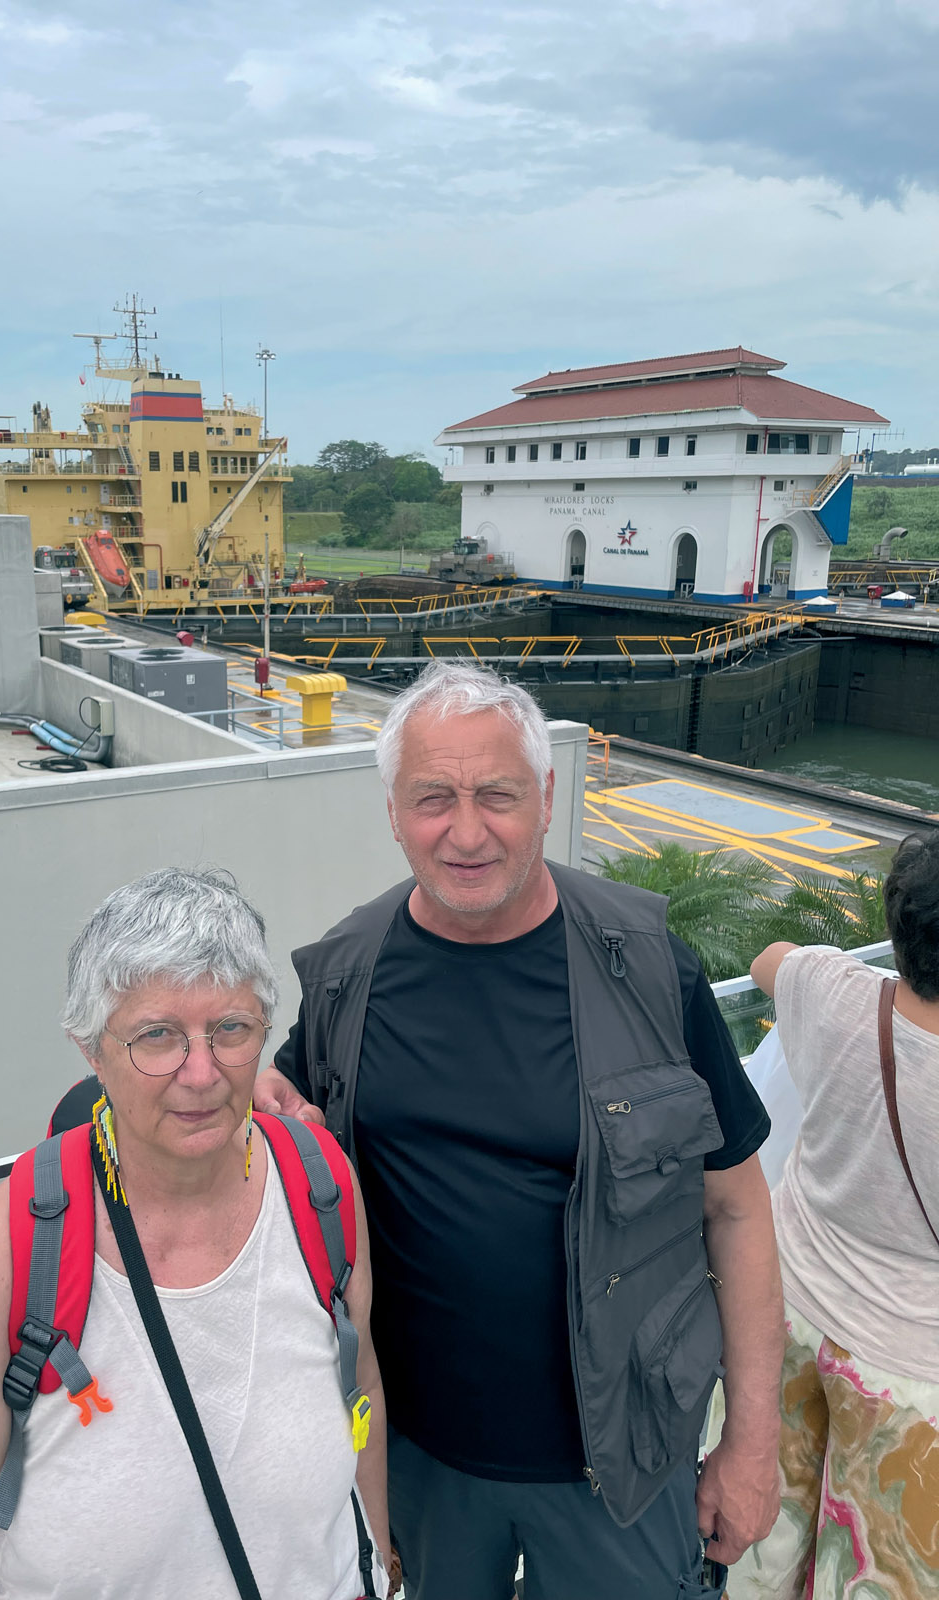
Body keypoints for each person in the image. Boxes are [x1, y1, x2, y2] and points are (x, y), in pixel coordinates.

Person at [255, 660, 783, 1599]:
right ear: (393, 813)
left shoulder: (649, 970)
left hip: (622, 1461)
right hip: (421, 1458)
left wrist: (752, 1445)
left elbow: (736, 1211)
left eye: (496, 795)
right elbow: (283, 1105)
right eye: (433, 799)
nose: (466, 832)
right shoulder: (346, 974)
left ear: (544, 796)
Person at [0, 867, 390, 1599]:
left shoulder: (321, 1189)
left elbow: (359, 1387)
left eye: (231, 1028)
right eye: (157, 1036)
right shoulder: (8, 1257)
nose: (201, 1072)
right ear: (91, 1050)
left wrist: (378, 1568)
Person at [734, 833, 939, 1599]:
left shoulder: (832, 990)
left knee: (762, 1538)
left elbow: (767, 960)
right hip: (909, 1371)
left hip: (784, 1311)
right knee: (873, 1574)